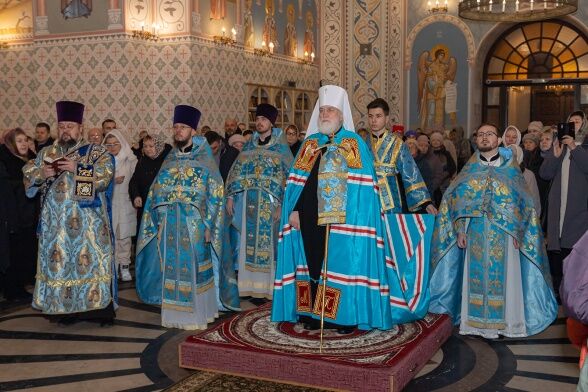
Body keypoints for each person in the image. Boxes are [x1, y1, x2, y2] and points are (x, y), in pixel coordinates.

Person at [272, 85, 433, 333]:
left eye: (331, 111)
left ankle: (340, 317)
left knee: (341, 266)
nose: (325, 115)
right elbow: (298, 182)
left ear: (341, 115)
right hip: (308, 216)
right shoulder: (310, 143)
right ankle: (313, 315)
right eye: (322, 110)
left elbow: (363, 189)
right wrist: (293, 210)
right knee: (312, 262)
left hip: (344, 220)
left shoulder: (354, 143)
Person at [429, 123, 558, 338]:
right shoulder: (468, 171)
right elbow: (456, 202)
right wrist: (460, 229)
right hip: (475, 232)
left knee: (506, 279)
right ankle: (475, 324)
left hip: (505, 234)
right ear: (476, 140)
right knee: (474, 278)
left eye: (490, 134)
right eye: (481, 135)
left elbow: (523, 203)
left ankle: (507, 323)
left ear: (498, 140)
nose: (485, 138)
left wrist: (520, 232)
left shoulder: (511, 169)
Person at [135, 105, 240, 329]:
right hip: (170, 224)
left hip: (196, 224)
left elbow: (215, 194)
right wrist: (158, 213)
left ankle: (200, 314)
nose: (178, 131)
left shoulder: (205, 159)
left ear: (193, 130)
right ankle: (175, 316)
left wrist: (210, 224)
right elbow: (156, 190)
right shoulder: (170, 159)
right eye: (175, 127)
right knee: (172, 270)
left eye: (183, 127)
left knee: (196, 269)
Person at [23, 101, 116, 324]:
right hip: (55, 226)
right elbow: (28, 174)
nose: (66, 130)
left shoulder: (96, 152)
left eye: (70, 126)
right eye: (62, 125)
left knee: (90, 263)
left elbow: (104, 178)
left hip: (88, 223)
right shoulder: (47, 151)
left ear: (80, 128)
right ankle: (63, 310)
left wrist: (78, 169)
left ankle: (95, 311)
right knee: (60, 265)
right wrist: (42, 173)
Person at [226, 104, 292, 303]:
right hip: (249, 202)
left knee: (269, 245)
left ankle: (268, 288)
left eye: (264, 119)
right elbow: (236, 172)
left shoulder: (281, 148)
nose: (259, 122)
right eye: (258, 118)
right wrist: (230, 195)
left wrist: (282, 204)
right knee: (247, 242)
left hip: (271, 204)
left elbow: (289, 177)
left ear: (271, 122)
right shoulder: (249, 146)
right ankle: (249, 287)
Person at [539, 121, 588, 300]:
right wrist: (555, 155)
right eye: (571, 121)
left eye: (578, 121)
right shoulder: (560, 149)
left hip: (579, 216)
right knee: (557, 260)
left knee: (575, 259)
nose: (574, 124)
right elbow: (545, 174)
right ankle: (559, 298)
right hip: (557, 215)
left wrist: (574, 147)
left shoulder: (582, 148)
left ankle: (574, 299)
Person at [366, 98, 436, 215]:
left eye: (378, 116)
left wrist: (425, 202)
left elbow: (410, 173)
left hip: (391, 198)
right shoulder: (364, 142)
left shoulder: (397, 143)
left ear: (387, 118)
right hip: (368, 196)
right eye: (370, 116)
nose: (373, 120)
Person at [0, 128, 38, 300]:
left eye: (25, 140)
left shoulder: (31, 160)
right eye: (19, 141)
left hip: (29, 215)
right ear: (10, 144)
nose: (24, 144)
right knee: (12, 253)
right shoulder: (6, 162)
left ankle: (22, 284)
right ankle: (12, 290)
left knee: (25, 252)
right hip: (13, 216)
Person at [103, 130, 138, 282]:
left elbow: (136, 181)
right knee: (111, 237)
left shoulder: (130, 160)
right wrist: (111, 182)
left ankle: (124, 266)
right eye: (108, 145)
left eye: (115, 144)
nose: (111, 148)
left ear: (121, 143)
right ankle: (114, 266)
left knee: (124, 236)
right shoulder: (102, 161)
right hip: (109, 203)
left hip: (125, 202)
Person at [129, 134, 172, 231]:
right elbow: (134, 181)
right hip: (145, 206)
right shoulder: (142, 161)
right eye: (145, 146)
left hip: (163, 206)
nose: (148, 149)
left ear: (159, 146)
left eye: (151, 146)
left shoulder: (168, 162)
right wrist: (136, 196)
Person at [429, 130, 456, 205]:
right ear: (431, 142)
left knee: (444, 204)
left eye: (438, 140)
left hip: (444, 184)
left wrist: (443, 176)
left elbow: (452, 167)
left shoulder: (446, 153)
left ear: (441, 142)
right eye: (433, 140)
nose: (435, 142)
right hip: (432, 184)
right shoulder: (428, 154)